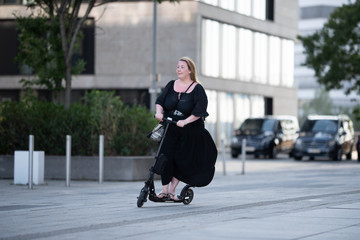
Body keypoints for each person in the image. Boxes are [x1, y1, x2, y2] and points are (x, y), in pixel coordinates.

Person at [154, 56, 218, 201]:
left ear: (190, 70)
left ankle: (172, 191)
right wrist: (159, 112)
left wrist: (186, 121)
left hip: (189, 130)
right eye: (177, 67)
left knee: (180, 158)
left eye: (182, 67)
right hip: (170, 127)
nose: (178, 69)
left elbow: (199, 111)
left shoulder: (197, 89)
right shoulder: (171, 85)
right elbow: (160, 101)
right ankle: (164, 190)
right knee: (165, 155)